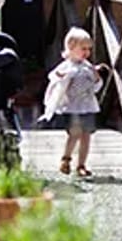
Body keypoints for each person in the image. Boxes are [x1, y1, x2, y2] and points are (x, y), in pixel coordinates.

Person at [42, 27, 102, 178]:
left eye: (89, 49)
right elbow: (54, 78)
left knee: (86, 135)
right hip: (73, 106)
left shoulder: (88, 67)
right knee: (75, 134)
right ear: (71, 47)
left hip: (88, 106)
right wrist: (60, 76)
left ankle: (81, 164)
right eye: (83, 48)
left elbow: (96, 87)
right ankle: (66, 158)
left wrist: (96, 78)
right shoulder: (67, 66)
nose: (86, 52)